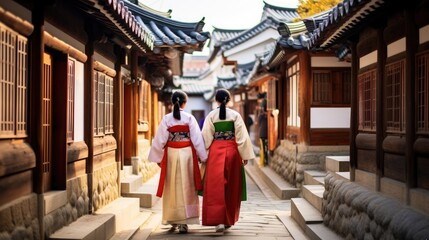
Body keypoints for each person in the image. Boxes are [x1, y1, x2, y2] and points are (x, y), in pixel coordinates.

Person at [148, 90, 207, 234]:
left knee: (172, 187)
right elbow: (197, 140)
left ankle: (173, 218)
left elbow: (160, 140)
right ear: (184, 103)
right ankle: (185, 222)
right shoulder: (189, 118)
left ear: (172, 102)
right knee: (187, 186)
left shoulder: (167, 119)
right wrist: (203, 157)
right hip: (187, 154)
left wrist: (158, 157)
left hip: (171, 155)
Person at [201, 88, 255, 232]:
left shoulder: (211, 116)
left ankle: (217, 220)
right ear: (229, 100)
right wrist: (244, 155)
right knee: (231, 186)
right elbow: (242, 137)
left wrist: (203, 156)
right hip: (232, 151)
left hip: (215, 152)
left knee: (215, 186)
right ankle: (227, 219)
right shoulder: (235, 115)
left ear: (216, 100)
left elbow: (206, 137)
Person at [258, 92, 268, 166]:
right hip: (264, 134)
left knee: (263, 148)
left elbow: (258, 122)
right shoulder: (264, 116)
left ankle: (264, 161)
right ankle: (264, 161)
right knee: (264, 148)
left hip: (262, 134)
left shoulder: (261, 115)